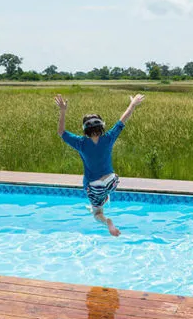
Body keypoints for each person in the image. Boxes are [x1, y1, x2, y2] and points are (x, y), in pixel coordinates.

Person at [55, 93, 145, 236]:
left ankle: (107, 221)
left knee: (97, 213)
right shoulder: (108, 138)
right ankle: (99, 202)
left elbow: (61, 132)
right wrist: (133, 103)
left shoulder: (80, 143)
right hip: (112, 181)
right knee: (104, 195)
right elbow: (124, 119)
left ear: (85, 129)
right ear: (102, 126)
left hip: (93, 185)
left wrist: (63, 110)